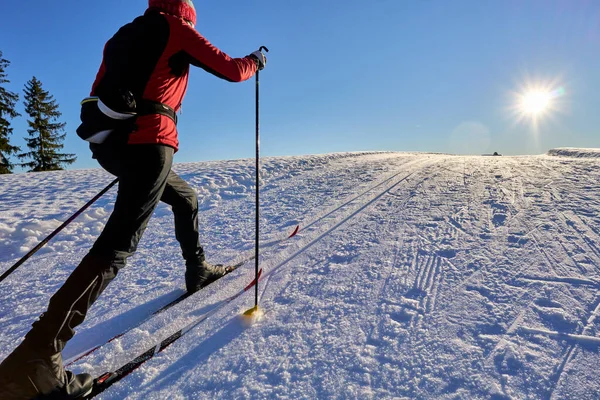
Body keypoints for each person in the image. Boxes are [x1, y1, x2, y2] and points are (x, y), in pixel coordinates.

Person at [0, 0, 267, 398]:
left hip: (113, 144)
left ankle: (198, 271)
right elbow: (231, 69)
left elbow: (100, 91)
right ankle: (38, 355)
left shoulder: (122, 34)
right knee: (118, 245)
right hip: (150, 141)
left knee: (185, 198)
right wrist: (256, 60)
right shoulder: (176, 28)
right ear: (186, 9)